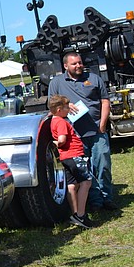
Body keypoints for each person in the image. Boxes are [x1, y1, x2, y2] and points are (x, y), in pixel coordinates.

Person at [48, 52, 116, 211]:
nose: (78, 65)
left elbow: (105, 101)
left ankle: (107, 198)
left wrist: (102, 124)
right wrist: (66, 105)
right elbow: (52, 107)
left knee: (103, 166)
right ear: (66, 66)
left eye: (80, 62)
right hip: (74, 136)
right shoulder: (56, 83)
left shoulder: (94, 78)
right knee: (85, 170)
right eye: (74, 64)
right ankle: (95, 202)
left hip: (96, 131)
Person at [48, 95, 92, 228]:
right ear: (59, 110)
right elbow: (62, 140)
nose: (69, 109)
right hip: (74, 155)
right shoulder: (61, 122)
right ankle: (81, 215)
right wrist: (53, 144)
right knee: (86, 182)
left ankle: (74, 213)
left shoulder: (53, 121)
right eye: (67, 107)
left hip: (64, 157)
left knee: (72, 185)